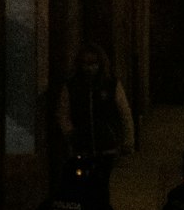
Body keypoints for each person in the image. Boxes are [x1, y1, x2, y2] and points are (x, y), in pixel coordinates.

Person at [55, 41, 134, 188]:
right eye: (85, 63)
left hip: (106, 146)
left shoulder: (111, 85)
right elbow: (63, 113)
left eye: (93, 63)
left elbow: (124, 113)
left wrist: (127, 141)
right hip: (81, 146)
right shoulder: (72, 86)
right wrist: (71, 134)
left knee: (101, 185)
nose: (89, 68)